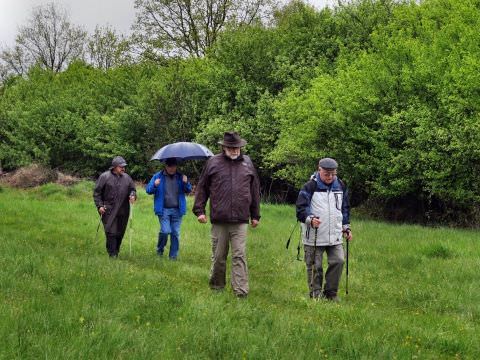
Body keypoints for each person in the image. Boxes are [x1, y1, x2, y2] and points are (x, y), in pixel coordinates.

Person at [193, 131, 261, 298]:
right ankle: (217, 287)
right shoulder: (213, 162)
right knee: (218, 257)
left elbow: (254, 189)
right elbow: (202, 188)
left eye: (237, 147)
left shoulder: (247, 163)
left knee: (239, 255)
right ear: (223, 147)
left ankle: (241, 291)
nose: (234, 150)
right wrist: (199, 211)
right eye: (231, 147)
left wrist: (256, 215)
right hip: (219, 219)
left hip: (241, 219)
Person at [295, 157, 353, 301]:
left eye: (333, 174)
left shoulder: (340, 186)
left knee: (339, 261)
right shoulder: (310, 186)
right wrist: (310, 218)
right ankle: (315, 294)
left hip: (335, 234)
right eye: (327, 174)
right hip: (314, 234)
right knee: (316, 266)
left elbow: (344, 208)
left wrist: (346, 227)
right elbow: (301, 208)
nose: (330, 177)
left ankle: (331, 293)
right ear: (319, 170)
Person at [146, 157, 192, 260]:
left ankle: (173, 256)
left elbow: (188, 190)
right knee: (165, 231)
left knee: (175, 233)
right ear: (165, 166)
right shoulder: (157, 176)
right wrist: (154, 184)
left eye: (174, 166)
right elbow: (148, 190)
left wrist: (186, 182)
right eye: (169, 166)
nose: (171, 169)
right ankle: (160, 249)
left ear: (176, 166)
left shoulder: (181, 177)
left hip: (177, 210)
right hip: (163, 210)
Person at [93, 156, 137, 258]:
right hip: (108, 210)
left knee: (119, 233)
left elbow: (132, 189)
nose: (123, 169)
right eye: (121, 167)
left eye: (124, 167)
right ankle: (112, 254)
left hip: (123, 210)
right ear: (114, 167)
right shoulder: (105, 177)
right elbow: (97, 193)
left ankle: (116, 251)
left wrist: (133, 195)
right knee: (111, 232)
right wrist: (99, 206)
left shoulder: (127, 178)